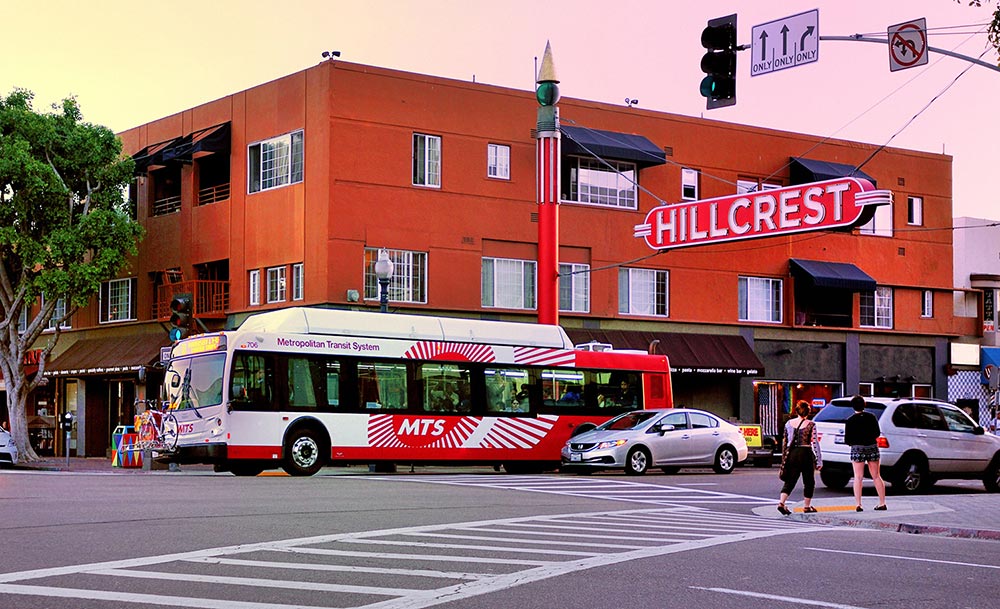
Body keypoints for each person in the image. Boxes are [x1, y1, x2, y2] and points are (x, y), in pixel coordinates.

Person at [777, 400, 822, 515]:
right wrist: (819, 460)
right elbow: (815, 443)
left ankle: (782, 502)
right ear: (808, 411)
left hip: (792, 453)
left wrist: (784, 459)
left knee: (790, 480)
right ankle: (807, 506)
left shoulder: (788, 423)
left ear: (796, 411)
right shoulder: (811, 424)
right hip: (806, 452)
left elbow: (785, 442)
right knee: (809, 481)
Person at [844, 395, 887, 512]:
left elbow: (847, 439)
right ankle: (882, 502)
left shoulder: (850, 420)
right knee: (876, 476)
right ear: (864, 405)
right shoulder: (871, 417)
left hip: (857, 448)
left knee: (858, 477)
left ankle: (858, 504)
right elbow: (877, 433)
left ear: (852, 406)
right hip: (872, 447)